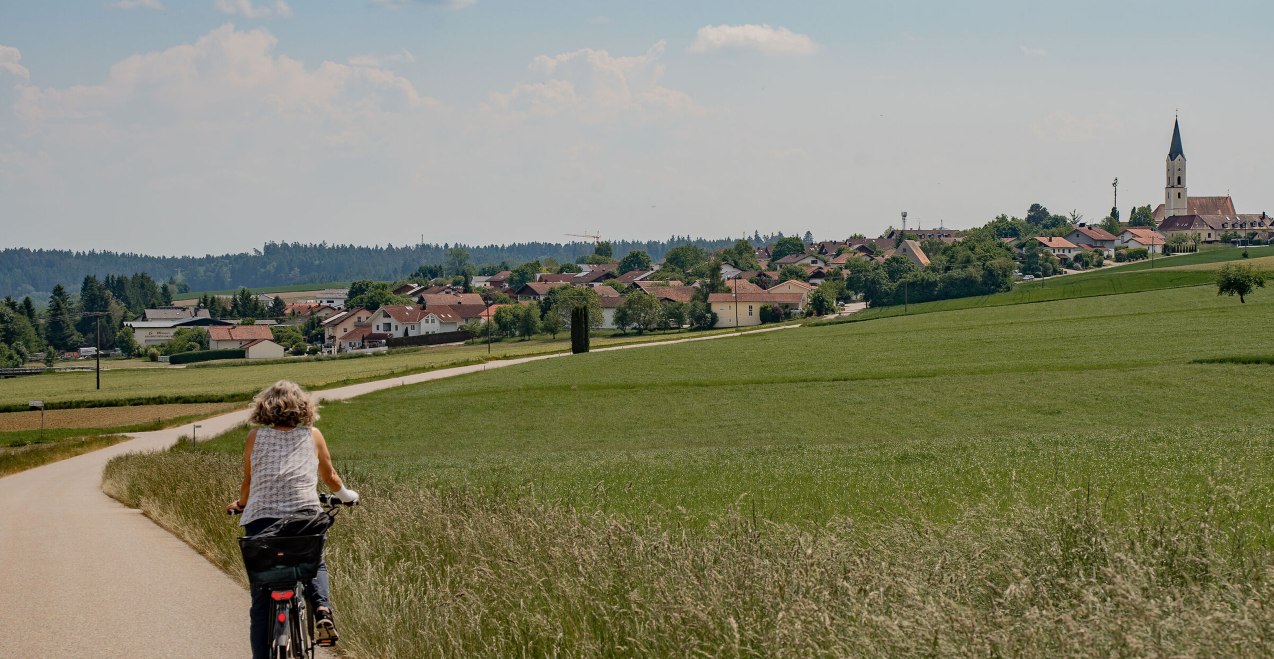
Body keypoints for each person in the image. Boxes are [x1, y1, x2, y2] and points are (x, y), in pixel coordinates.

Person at [226, 380, 359, 657]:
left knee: (261, 600)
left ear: (265, 408)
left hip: (261, 522)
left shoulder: (255, 437)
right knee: (313, 562)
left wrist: (240, 504)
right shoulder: (313, 435)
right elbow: (330, 477)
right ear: (303, 409)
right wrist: (348, 496)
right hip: (305, 519)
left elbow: (249, 482)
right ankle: (322, 609)